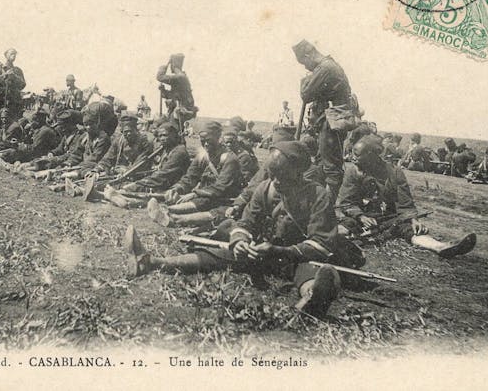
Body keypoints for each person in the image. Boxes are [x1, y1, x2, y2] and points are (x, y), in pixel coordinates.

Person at [124, 141, 364, 318]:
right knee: (219, 253)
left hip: (294, 256)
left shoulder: (317, 195)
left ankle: (313, 298)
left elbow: (321, 244)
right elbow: (246, 223)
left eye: (282, 175)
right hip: (259, 252)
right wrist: (240, 242)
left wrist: (281, 250)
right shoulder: (265, 188)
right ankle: (152, 262)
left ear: (298, 172)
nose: (276, 181)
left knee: (308, 270)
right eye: (273, 174)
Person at [337, 136, 476, 258]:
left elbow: (404, 202)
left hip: (388, 217)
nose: (352, 157)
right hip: (360, 217)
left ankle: (440, 247)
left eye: (357, 154)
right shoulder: (353, 172)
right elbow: (347, 202)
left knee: (409, 228)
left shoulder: (395, 172)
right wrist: (361, 216)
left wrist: (413, 219)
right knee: (345, 226)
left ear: (371, 155)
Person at [292, 40, 356, 199]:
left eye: (304, 62)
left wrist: (304, 80)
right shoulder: (329, 66)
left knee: (330, 167)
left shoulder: (325, 68)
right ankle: (320, 200)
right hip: (330, 120)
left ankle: (329, 205)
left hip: (331, 122)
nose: (306, 67)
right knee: (324, 163)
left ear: (308, 55)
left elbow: (306, 94)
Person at [147, 121, 242, 227]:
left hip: (224, 199)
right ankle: (165, 210)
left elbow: (221, 187)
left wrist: (195, 193)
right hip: (205, 196)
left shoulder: (229, 159)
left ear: (218, 138)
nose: (206, 144)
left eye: (209, 141)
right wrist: (177, 188)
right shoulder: (203, 156)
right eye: (203, 141)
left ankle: (167, 211)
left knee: (205, 203)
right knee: (197, 200)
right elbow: (190, 177)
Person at [121, 122, 191, 193]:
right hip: (163, 182)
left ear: (174, 135)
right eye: (160, 136)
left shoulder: (179, 151)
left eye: (165, 135)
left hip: (174, 187)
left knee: (129, 189)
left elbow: (163, 175)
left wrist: (137, 184)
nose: (162, 139)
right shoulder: (166, 149)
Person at [157, 53, 197, 128]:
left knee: (170, 129)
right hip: (177, 108)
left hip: (181, 110)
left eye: (171, 65)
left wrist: (163, 68)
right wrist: (163, 91)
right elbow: (173, 95)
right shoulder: (180, 77)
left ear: (173, 65)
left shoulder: (180, 77)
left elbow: (159, 77)